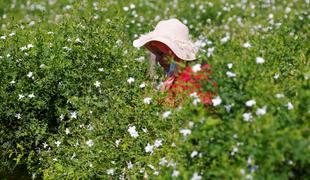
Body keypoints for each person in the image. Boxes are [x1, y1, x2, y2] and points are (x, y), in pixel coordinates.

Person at [133, 18, 217, 108]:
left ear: (174, 53)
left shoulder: (194, 77)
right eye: (156, 53)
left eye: (161, 53)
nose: (157, 59)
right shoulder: (177, 73)